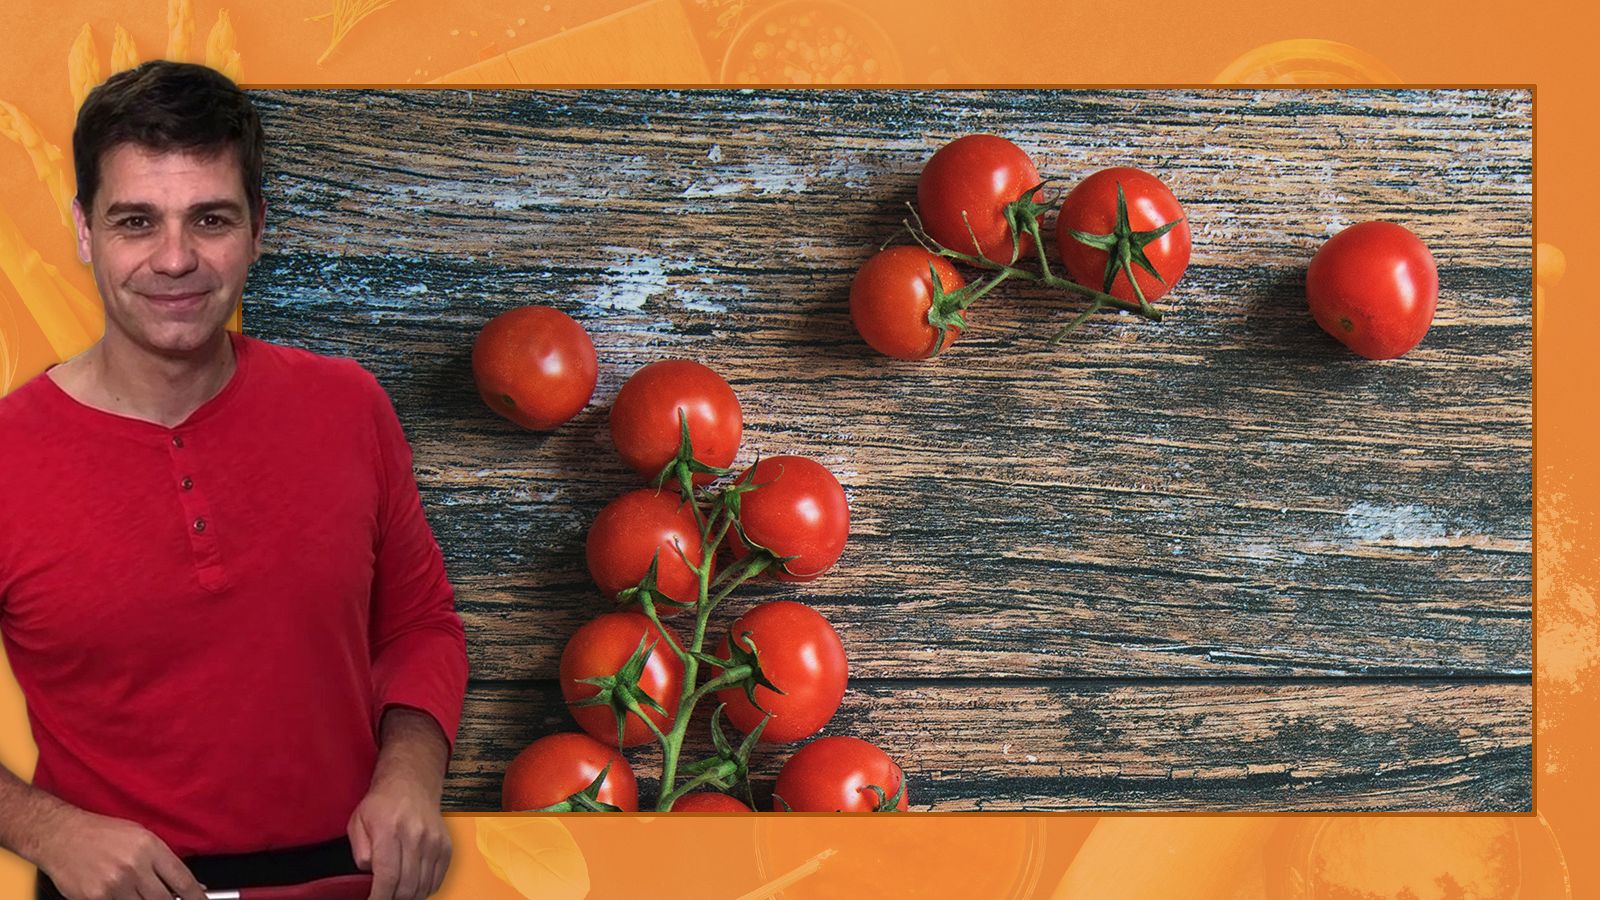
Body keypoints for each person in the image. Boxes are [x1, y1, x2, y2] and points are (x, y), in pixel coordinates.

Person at [0, 61, 469, 900]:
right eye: (136, 221)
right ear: (83, 231)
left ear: (257, 226)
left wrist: (411, 773)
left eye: (209, 218)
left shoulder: (347, 405)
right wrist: (49, 829)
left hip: (353, 881)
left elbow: (419, 623)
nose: (174, 259)